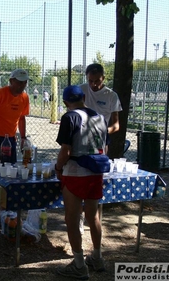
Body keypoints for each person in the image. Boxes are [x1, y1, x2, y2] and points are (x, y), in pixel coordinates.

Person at [54, 85, 109, 279]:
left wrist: (58, 168)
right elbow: (105, 148)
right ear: (84, 97)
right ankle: (97, 256)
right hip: (96, 172)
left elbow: (66, 151)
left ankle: (79, 264)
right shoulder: (100, 118)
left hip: (76, 172)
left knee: (72, 217)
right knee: (93, 216)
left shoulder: (70, 117)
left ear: (65, 102)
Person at [79, 63, 122, 234]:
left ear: (103, 78)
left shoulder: (111, 96)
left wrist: (103, 132)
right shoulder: (81, 89)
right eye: (90, 81)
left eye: (97, 81)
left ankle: (94, 216)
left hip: (101, 143)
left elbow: (116, 125)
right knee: (81, 177)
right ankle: (80, 218)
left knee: (96, 179)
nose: (93, 85)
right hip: (81, 141)